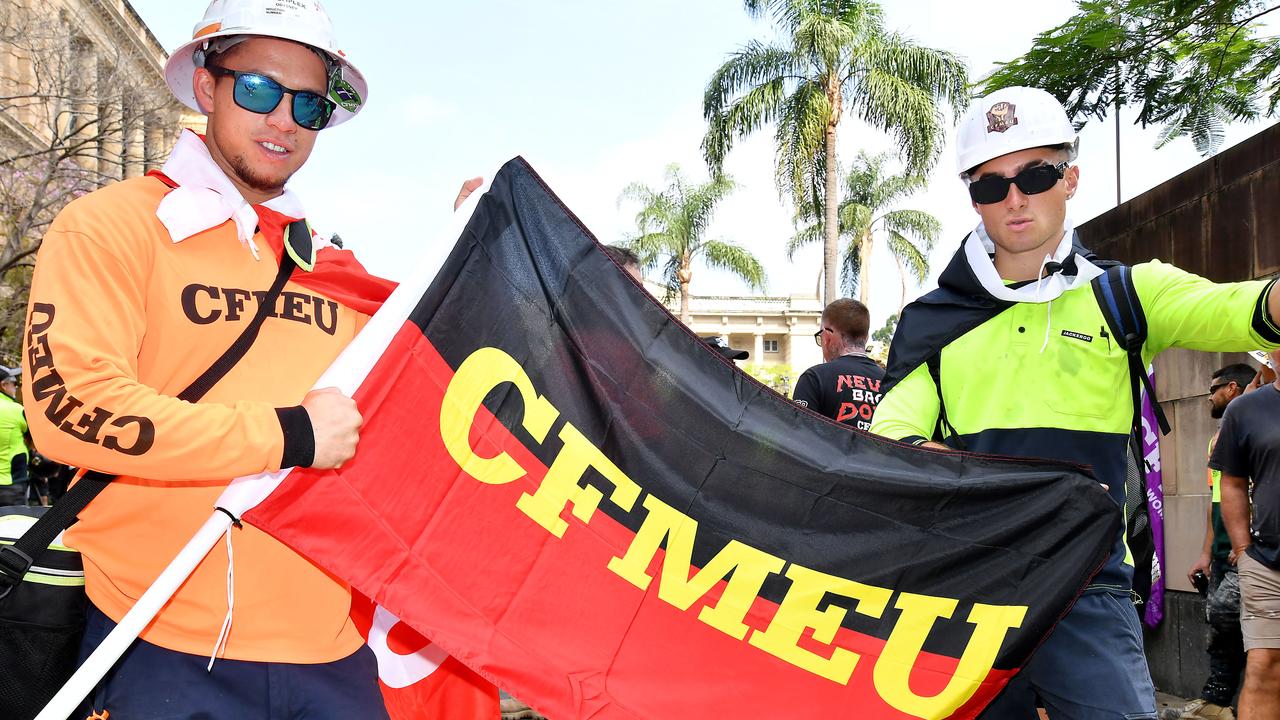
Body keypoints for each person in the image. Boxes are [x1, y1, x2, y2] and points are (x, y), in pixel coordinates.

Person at [22, 1, 396, 716]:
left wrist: (477, 263)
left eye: (310, 104)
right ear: (206, 87)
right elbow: (73, 413)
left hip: (333, 654)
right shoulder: (109, 226)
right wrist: (285, 433)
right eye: (258, 89)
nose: (284, 119)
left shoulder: (331, 266)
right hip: (154, 639)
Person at [870, 86, 1280, 720]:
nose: (1014, 198)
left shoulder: (1128, 294)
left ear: (1070, 178)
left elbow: (1243, 310)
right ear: (973, 199)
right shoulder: (932, 321)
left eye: (1035, 174)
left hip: (1086, 588)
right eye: (989, 185)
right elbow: (892, 440)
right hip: (962, 595)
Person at [1183, 363, 1259, 720]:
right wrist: (1205, 553)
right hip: (1222, 555)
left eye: (1212, 390)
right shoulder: (1218, 440)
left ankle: (1248, 703)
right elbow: (1219, 501)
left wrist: (1247, 544)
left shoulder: (1260, 427)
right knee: (1220, 623)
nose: (1208, 398)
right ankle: (1216, 703)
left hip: (1248, 554)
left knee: (1236, 622)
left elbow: (1260, 494)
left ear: (1232, 389)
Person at [1213, 348, 1280, 720]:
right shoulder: (1246, 409)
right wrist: (1243, 547)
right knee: (1263, 666)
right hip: (1268, 564)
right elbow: (1232, 483)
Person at [792, 298, 883, 430]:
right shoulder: (891, 383)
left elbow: (798, 434)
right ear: (866, 337)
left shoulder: (814, 378)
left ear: (827, 336)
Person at [0, 367, 28, 507]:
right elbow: (35, 440)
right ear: (4, 385)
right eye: (14, 384)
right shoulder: (16, 410)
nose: (16, 387)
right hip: (10, 484)